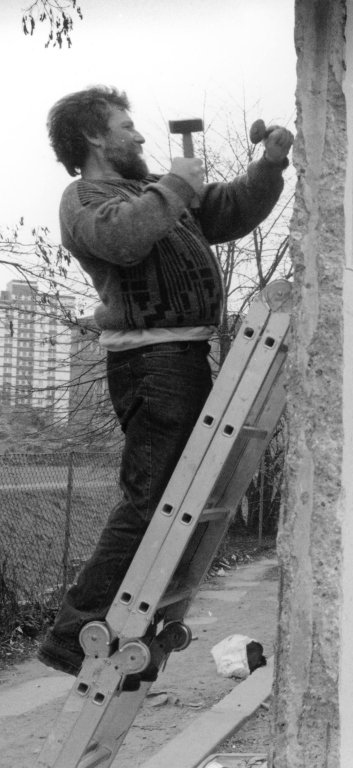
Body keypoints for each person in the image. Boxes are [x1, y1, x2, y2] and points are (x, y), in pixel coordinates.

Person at [37, 86, 293, 676]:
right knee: (152, 496)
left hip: (179, 358)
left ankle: (131, 621)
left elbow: (228, 210)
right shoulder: (85, 199)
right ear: (94, 136)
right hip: (150, 364)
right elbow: (123, 240)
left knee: (175, 498)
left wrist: (269, 165)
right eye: (125, 125)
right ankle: (76, 631)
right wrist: (176, 186)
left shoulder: (153, 192)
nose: (139, 135)